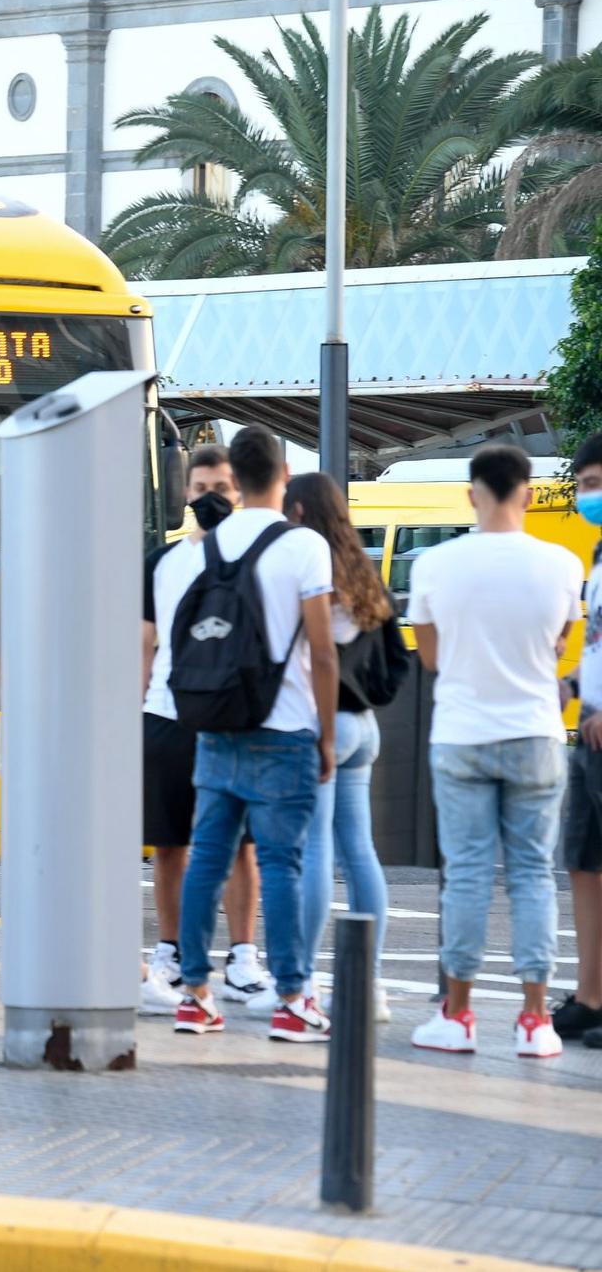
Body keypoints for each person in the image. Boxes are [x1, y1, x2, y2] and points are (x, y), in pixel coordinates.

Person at [406, 443, 581, 1058]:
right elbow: (560, 644)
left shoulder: (434, 564)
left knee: (468, 877)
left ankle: (457, 1014)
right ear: (528, 494)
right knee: (534, 876)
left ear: (471, 494)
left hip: (461, 735)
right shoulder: (562, 565)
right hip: (536, 732)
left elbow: (429, 658)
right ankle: (536, 1021)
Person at [170, 425, 337, 1045]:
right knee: (281, 863)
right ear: (284, 473)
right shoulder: (304, 547)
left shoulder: (205, 546)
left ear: (234, 481)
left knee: (205, 861)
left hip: (215, 725)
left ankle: (193, 995)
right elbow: (323, 652)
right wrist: (324, 736)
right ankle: (292, 999)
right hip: (285, 727)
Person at [143, 445, 269, 1006]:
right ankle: (169, 951)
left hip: (234, 717)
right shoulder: (161, 561)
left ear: (240, 492)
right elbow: (143, 645)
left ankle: (243, 956)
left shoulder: (258, 555)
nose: (209, 499)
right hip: (167, 715)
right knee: (170, 844)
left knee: (241, 845)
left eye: (221, 488)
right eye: (199, 490)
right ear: (185, 494)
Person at [285, 471, 398, 1024]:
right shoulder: (364, 573)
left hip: (321, 725)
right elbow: (394, 658)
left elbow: (312, 655)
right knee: (359, 852)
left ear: (301, 512)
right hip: (365, 726)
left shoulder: (310, 572)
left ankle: (301, 980)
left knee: (313, 855)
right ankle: (368, 984)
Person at [558, 433, 602, 1049]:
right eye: (584, 486)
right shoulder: (596, 555)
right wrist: (568, 684)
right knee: (585, 861)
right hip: (588, 726)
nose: (589, 496)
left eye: (597, 483)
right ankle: (591, 996)